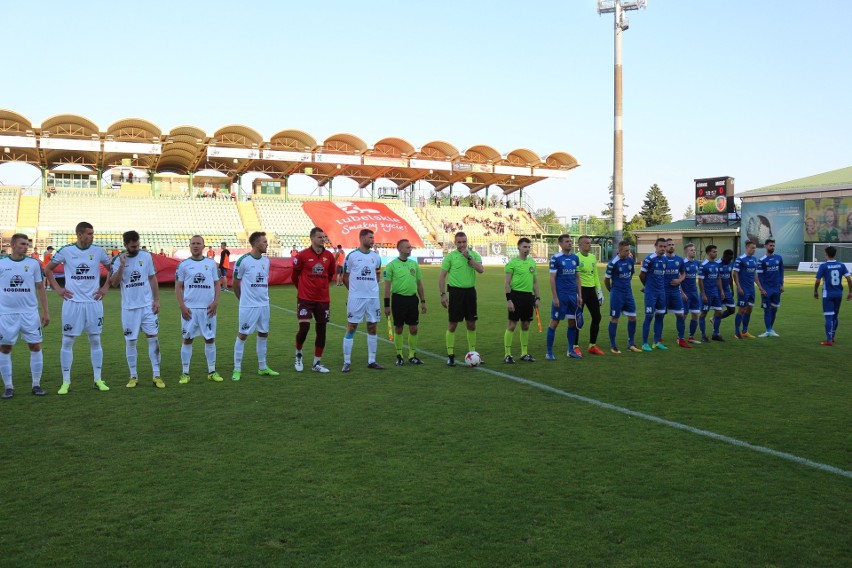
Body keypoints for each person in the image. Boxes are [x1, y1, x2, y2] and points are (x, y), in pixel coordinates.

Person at [44, 221, 112, 394]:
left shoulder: (98, 251)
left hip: (93, 303)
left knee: (95, 340)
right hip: (72, 303)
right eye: (89, 233)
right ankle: (66, 381)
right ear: (79, 234)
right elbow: (48, 269)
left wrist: (105, 287)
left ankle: (98, 379)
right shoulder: (66, 251)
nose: (92, 236)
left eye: (92, 233)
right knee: (67, 341)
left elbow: (113, 268)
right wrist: (57, 288)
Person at [109, 230, 163, 389]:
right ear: (125, 245)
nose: (136, 248)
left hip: (147, 306)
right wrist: (122, 266)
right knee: (131, 341)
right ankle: (133, 376)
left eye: (138, 245)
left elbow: (152, 278)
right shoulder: (117, 260)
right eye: (133, 246)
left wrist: (157, 300)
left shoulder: (146, 256)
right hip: (129, 308)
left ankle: (156, 375)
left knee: (153, 338)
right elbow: (113, 283)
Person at [0, 233, 49, 398]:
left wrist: (45, 311)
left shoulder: (34, 264)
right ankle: (8, 386)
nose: (25, 247)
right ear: (12, 245)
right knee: (5, 348)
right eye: (22, 244)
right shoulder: (2, 263)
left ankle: (36, 384)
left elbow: (40, 288)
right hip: (6, 314)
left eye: (27, 244)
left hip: (30, 313)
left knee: (35, 346)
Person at [175, 235, 223, 383]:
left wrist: (215, 302)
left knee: (210, 339)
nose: (196, 246)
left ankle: (212, 371)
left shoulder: (211, 264)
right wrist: (182, 306)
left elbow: (217, 284)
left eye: (198, 243)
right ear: (190, 246)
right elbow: (177, 286)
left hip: (208, 309)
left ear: (203, 246)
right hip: (189, 310)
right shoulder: (183, 265)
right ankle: (185, 373)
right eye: (193, 243)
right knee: (187, 339)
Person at [231, 232, 279, 381]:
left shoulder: (266, 261)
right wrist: (243, 300)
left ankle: (262, 367)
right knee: (243, 334)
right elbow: (235, 284)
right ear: (257, 243)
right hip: (248, 306)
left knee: (264, 334)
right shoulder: (243, 261)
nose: (267, 244)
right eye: (264, 242)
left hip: (264, 304)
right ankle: (237, 369)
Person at [292, 227, 336, 373]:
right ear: (311, 238)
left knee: (321, 330)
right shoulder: (303, 255)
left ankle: (316, 363)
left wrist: (321, 287)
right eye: (319, 237)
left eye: (323, 237)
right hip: (305, 298)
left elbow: (330, 275)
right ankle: (298, 353)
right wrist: (303, 289)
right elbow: (294, 275)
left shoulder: (329, 256)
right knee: (304, 328)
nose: (322, 239)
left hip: (323, 299)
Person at [438, 231, 484, 366]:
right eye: (459, 242)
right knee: (453, 324)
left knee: (471, 323)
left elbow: (481, 270)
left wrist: (469, 258)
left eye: (464, 241)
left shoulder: (474, 255)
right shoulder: (450, 257)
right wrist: (443, 294)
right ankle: (450, 355)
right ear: (455, 243)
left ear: (467, 241)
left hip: (470, 292)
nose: (462, 244)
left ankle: (473, 354)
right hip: (455, 293)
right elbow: (442, 276)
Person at [342, 229, 384, 371]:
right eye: (370, 237)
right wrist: (352, 293)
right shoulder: (352, 256)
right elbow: (345, 277)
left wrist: (372, 288)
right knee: (352, 327)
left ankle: (372, 360)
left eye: (373, 237)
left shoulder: (376, 257)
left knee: (372, 327)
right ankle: (347, 362)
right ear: (362, 238)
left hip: (372, 298)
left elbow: (377, 276)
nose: (373, 240)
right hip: (356, 298)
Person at [383, 239, 427, 366]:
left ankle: (412, 355)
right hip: (398, 300)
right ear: (400, 249)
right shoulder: (391, 266)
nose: (410, 249)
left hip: (412, 300)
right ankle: (399, 356)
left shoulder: (414, 264)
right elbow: (386, 287)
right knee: (399, 328)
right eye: (408, 247)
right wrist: (386, 305)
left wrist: (423, 301)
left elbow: (419, 284)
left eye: (410, 247)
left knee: (414, 328)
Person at [503, 237, 540, 363]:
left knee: (525, 325)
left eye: (529, 247)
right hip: (515, 296)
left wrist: (537, 297)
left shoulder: (532, 263)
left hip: (528, 297)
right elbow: (507, 283)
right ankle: (507, 354)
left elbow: (535, 282)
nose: (527, 249)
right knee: (512, 325)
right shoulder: (512, 263)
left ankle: (524, 353)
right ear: (518, 247)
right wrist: (509, 300)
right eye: (524, 247)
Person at [546, 234, 582, 360]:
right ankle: (549, 352)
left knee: (572, 323)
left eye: (570, 241)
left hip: (573, 296)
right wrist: (555, 297)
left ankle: (570, 350)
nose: (570, 243)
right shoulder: (556, 258)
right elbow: (552, 279)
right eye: (567, 241)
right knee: (554, 323)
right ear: (560, 244)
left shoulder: (575, 258)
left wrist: (580, 295)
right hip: (561, 296)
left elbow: (577, 278)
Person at [604, 241, 641, 354]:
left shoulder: (630, 260)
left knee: (633, 317)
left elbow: (630, 274)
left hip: (628, 293)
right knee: (615, 318)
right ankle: (613, 345)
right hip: (617, 294)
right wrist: (612, 290)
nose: (628, 252)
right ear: (619, 251)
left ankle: (631, 344)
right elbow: (606, 279)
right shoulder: (613, 263)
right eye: (626, 250)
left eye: (629, 250)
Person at [814, 245, 852, 345]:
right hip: (838, 294)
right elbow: (849, 279)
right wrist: (850, 292)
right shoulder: (841, 265)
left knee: (828, 317)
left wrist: (815, 291)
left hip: (828, 294)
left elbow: (818, 280)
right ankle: (833, 337)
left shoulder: (823, 266)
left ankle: (829, 340)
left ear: (826, 254)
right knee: (835, 316)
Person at [575, 236, 604, 355]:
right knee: (577, 319)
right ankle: (574, 346)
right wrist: (576, 293)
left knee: (597, 317)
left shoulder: (592, 257)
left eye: (590, 243)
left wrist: (599, 291)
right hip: (580, 291)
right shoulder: (576, 257)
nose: (589, 245)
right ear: (580, 245)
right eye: (587, 243)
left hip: (591, 290)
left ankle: (592, 345)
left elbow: (595, 275)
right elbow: (574, 277)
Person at [639, 238, 668, 351]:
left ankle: (656, 342)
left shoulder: (665, 260)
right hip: (651, 292)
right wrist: (647, 286)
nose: (663, 249)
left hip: (661, 292)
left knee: (660, 316)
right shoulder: (649, 259)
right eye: (661, 246)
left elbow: (662, 276)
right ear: (655, 247)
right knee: (649, 316)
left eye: (664, 247)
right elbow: (641, 275)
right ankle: (644, 343)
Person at [663, 239, 690, 348]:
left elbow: (683, 274)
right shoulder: (661, 260)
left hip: (675, 292)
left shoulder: (679, 260)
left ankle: (681, 339)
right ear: (664, 247)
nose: (671, 246)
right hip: (663, 292)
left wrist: (679, 280)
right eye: (669, 245)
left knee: (680, 314)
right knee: (660, 315)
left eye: (673, 245)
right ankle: (658, 338)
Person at [757, 238, 784, 337]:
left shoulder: (779, 258)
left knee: (774, 309)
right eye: (770, 245)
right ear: (765, 246)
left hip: (776, 288)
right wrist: (762, 289)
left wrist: (781, 284)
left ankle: (770, 329)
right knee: (767, 309)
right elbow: (760, 276)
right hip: (766, 289)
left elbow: (781, 272)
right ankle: (768, 330)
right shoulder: (761, 261)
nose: (772, 247)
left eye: (773, 245)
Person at [732, 240, 759, 339]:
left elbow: (755, 274)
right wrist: (738, 287)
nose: (754, 249)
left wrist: (760, 287)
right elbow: (735, 274)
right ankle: (736, 332)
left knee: (749, 310)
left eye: (755, 248)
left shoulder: (754, 259)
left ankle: (744, 331)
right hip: (743, 289)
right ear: (747, 248)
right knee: (741, 309)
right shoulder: (740, 259)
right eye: (752, 248)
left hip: (751, 289)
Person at [698, 245, 725, 342]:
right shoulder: (704, 265)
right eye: (714, 251)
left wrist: (721, 291)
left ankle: (715, 333)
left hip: (715, 293)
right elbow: (700, 281)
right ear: (709, 252)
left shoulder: (717, 265)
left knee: (719, 312)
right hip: (707, 293)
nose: (716, 253)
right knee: (704, 313)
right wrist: (703, 294)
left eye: (716, 251)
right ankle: (703, 335)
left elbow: (718, 278)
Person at [681, 243, 703, 344]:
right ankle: (680, 337)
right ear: (686, 251)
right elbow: (679, 279)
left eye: (694, 250)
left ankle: (691, 337)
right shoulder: (682, 263)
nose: (693, 251)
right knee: (684, 315)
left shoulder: (697, 263)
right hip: (685, 294)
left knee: (695, 315)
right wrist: (682, 293)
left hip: (694, 293)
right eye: (691, 250)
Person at [717, 249, 737, 327]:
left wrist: (731, 289)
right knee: (718, 310)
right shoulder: (717, 264)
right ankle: (716, 331)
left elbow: (730, 277)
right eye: (728, 259)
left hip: (727, 290)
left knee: (732, 310)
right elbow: (716, 279)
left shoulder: (730, 263)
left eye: (730, 260)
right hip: (718, 291)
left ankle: (715, 319)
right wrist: (721, 291)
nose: (729, 261)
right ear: (724, 257)